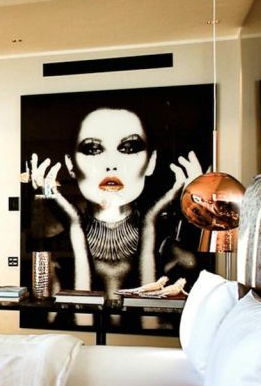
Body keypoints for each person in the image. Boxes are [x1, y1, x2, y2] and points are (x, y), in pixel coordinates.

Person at [26, 106, 201, 298]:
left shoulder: (177, 258)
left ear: (151, 162)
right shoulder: (51, 260)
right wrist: (75, 227)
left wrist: (149, 226)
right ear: (71, 165)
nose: (111, 164)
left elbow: (149, 314)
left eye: (128, 148)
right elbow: (79, 313)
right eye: (93, 150)